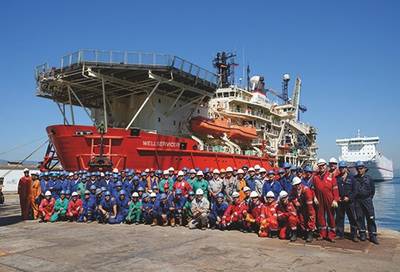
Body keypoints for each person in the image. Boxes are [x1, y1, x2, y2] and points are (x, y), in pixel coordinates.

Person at [312, 159, 339, 242]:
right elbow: (313, 189)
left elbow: (335, 189)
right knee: (320, 216)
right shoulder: (315, 177)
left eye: (323, 165)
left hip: (329, 199)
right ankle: (322, 234)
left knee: (331, 216)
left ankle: (331, 235)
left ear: (326, 166)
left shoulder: (331, 176)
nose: (322, 167)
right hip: (319, 199)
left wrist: (335, 200)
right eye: (320, 166)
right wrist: (314, 197)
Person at [353, 161, 379, 244]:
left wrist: (369, 198)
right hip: (358, 201)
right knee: (360, 218)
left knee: (370, 218)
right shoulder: (354, 179)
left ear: (364, 169)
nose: (359, 170)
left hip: (367, 200)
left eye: (361, 168)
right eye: (358, 169)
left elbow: (373, 190)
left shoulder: (369, 179)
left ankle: (373, 235)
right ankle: (362, 234)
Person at [335, 161, 358, 242]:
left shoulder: (352, 178)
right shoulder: (337, 178)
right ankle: (339, 234)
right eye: (340, 168)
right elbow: (334, 189)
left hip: (349, 202)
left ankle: (354, 235)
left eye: (343, 168)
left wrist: (349, 198)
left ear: (346, 168)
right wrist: (337, 197)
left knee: (352, 218)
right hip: (340, 202)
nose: (341, 169)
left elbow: (355, 191)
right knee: (339, 218)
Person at [290, 177, 316, 243]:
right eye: (296, 185)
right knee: (302, 220)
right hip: (301, 207)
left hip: (309, 206)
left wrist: (310, 212)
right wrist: (296, 202)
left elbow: (309, 202)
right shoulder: (294, 190)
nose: (297, 186)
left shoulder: (306, 190)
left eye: (298, 184)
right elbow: (292, 197)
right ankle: (305, 232)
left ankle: (310, 234)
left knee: (310, 218)